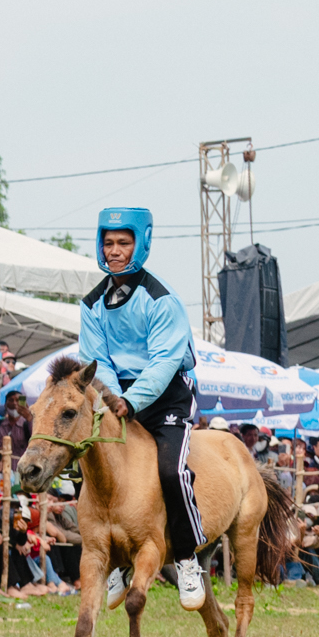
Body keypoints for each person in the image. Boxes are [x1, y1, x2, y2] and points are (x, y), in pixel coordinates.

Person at [77, 207, 207, 611]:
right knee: (78, 460)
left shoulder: (161, 299)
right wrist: (114, 399)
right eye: (108, 242)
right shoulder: (92, 303)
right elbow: (95, 357)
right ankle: (111, 562)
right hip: (117, 397)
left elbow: (166, 359)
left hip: (165, 394)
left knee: (170, 469)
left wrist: (131, 401)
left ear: (141, 243)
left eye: (123, 242)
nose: (114, 251)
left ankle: (187, 559)